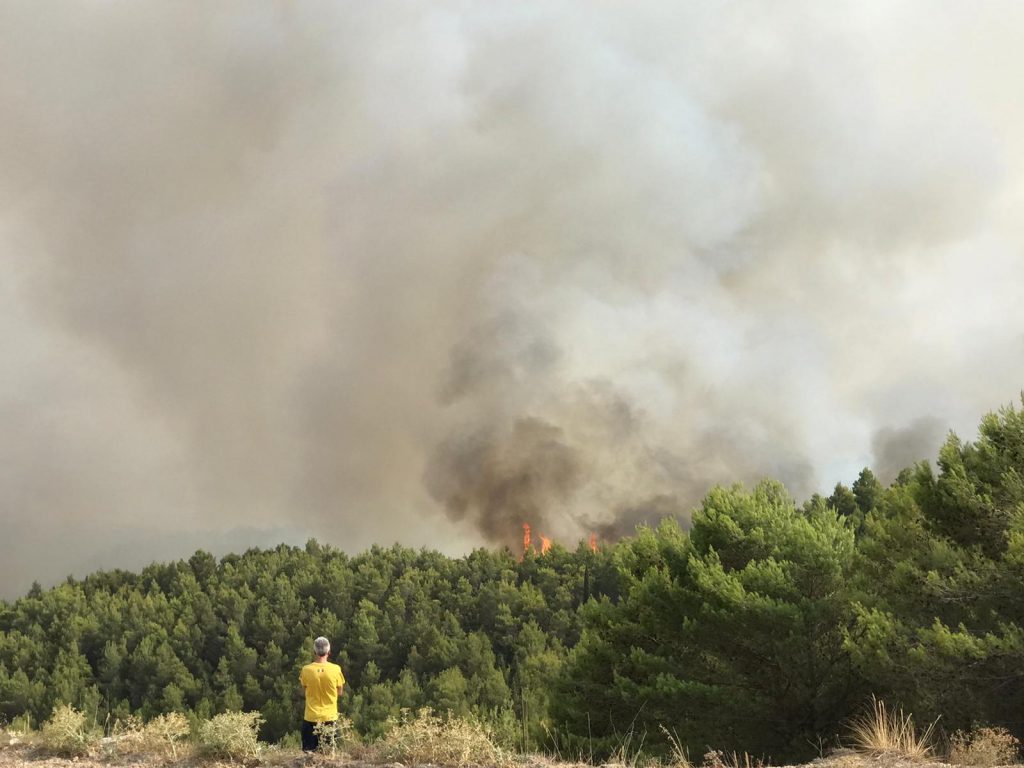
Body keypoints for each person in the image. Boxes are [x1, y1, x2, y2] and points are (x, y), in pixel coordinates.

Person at [298, 636, 346, 752]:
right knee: (328, 754)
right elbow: (340, 692)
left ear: (314, 652)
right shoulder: (336, 669)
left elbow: (303, 691)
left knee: (309, 754)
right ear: (329, 652)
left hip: (311, 717)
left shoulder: (306, 670)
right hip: (330, 717)